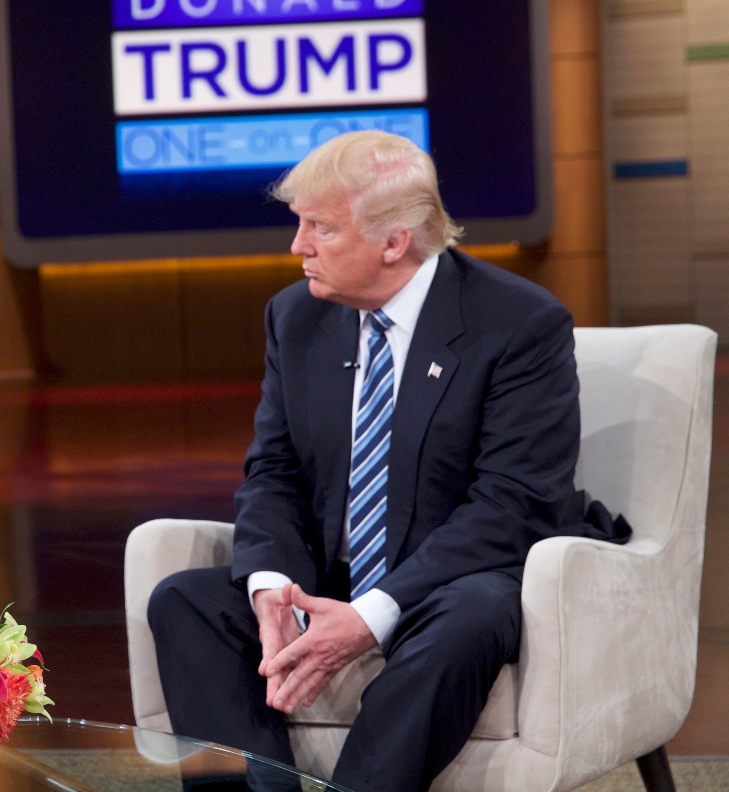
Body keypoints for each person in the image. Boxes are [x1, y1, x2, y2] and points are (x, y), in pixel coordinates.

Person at [148, 130, 623, 792]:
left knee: (467, 618)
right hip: (336, 573)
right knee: (185, 602)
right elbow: (275, 473)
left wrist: (372, 614)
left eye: (321, 228)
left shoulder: (517, 322)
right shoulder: (295, 318)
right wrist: (273, 588)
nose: (298, 246)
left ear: (395, 242)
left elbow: (513, 503)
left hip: (457, 577)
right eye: (300, 223)